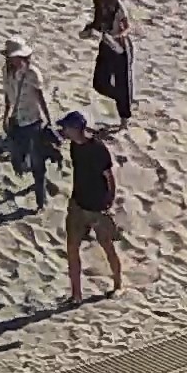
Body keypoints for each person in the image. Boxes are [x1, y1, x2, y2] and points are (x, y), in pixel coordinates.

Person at [60, 111, 125, 301]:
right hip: (78, 204)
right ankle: (76, 294)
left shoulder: (97, 149)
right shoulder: (73, 146)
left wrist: (108, 204)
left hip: (97, 207)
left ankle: (119, 285)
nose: (63, 130)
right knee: (72, 247)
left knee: (107, 246)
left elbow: (109, 178)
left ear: (75, 129)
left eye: (66, 127)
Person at [0, 38, 56, 198]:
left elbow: (41, 98)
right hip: (17, 121)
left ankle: (41, 193)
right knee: (18, 156)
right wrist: (5, 116)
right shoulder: (5, 71)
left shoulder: (32, 74)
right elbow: (7, 95)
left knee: (37, 160)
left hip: (33, 121)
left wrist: (48, 119)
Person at [84, 0, 133, 121]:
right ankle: (121, 98)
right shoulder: (99, 7)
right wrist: (88, 30)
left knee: (122, 82)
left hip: (120, 49)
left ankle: (124, 116)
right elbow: (97, 26)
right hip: (106, 45)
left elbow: (127, 27)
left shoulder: (118, 6)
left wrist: (120, 35)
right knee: (99, 84)